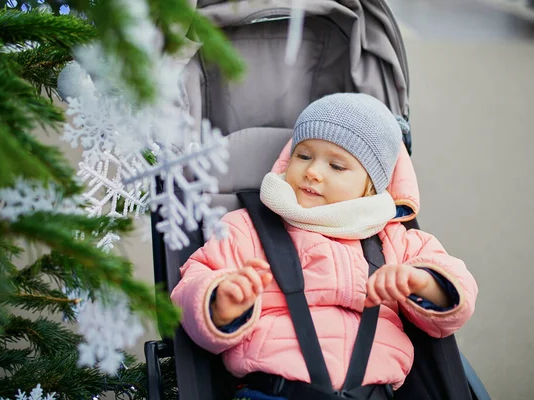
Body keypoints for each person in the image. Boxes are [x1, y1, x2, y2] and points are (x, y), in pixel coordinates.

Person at [171, 93, 478, 400]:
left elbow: (458, 290)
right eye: (303, 156)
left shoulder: (394, 240)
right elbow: (194, 280)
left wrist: (423, 283)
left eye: (336, 165)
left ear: (370, 186)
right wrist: (220, 303)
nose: (313, 171)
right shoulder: (247, 227)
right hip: (275, 390)